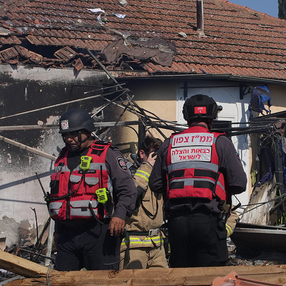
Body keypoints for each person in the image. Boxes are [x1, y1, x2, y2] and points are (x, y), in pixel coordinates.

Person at [149, 94, 248, 267]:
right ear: (211, 119)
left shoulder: (169, 143)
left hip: (177, 224)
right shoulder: (220, 142)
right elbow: (239, 184)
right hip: (208, 222)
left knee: (182, 278)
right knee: (210, 282)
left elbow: (155, 184)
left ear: (187, 118)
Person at [46, 108, 135, 271]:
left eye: (73, 134)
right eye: (65, 135)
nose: (69, 139)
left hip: (99, 231)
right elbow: (61, 197)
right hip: (68, 235)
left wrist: (120, 215)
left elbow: (127, 189)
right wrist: (57, 231)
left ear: (87, 131)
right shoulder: (62, 157)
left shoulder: (108, 153)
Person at [120, 135, 168, 269]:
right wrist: (147, 166)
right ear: (142, 153)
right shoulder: (125, 171)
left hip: (157, 245)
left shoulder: (157, 174)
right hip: (135, 246)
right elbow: (131, 194)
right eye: (154, 155)